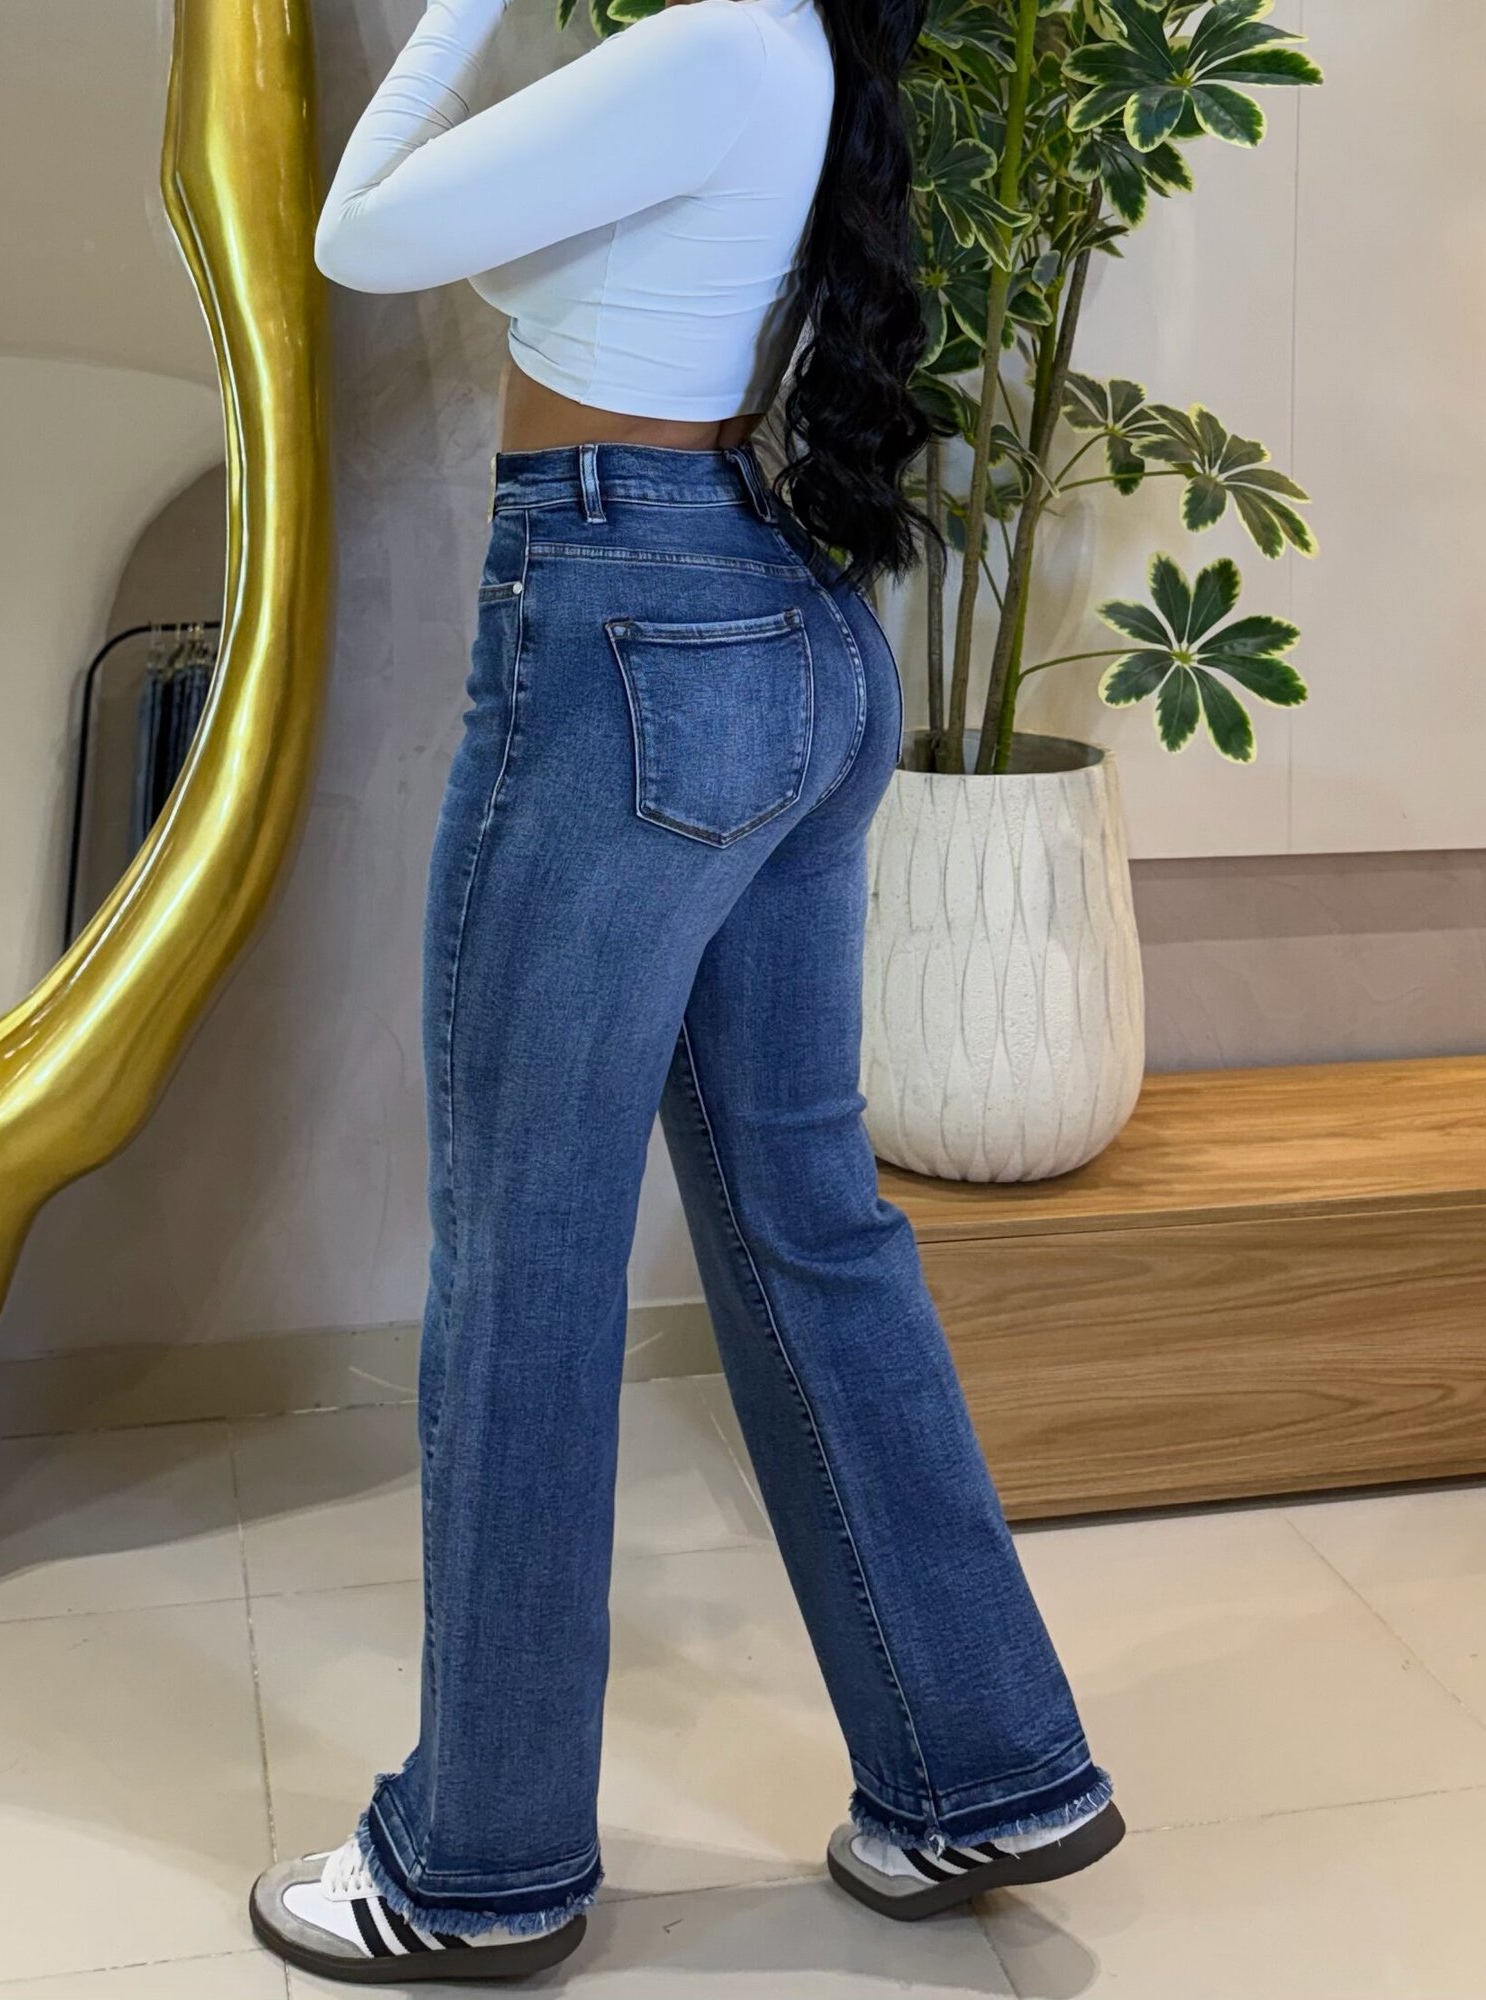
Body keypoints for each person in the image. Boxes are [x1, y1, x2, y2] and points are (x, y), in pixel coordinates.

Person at [249, 0, 1122, 1980]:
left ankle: (478, 1868)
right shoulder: (775, 47)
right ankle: (982, 1769)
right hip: (772, 616)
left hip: (627, 630)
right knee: (808, 1225)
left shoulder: (714, 40)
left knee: (527, 1254)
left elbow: (358, 235)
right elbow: (514, 261)